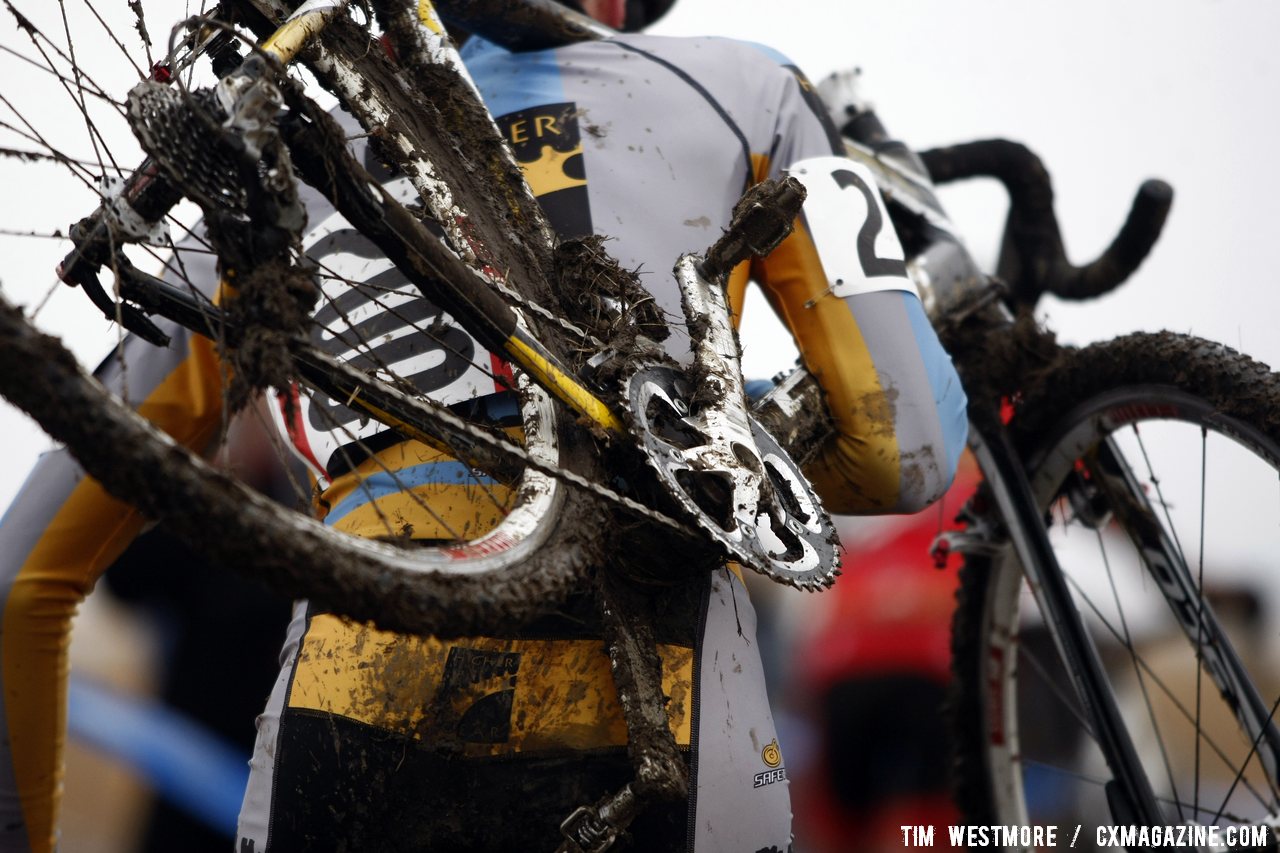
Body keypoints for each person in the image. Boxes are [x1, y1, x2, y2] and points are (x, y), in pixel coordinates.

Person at [0, 0, 967, 850]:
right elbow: (902, 449)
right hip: (667, 732)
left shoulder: (267, 150)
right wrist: (707, 457)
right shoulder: (743, 89)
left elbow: (18, 580)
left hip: (349, 710)